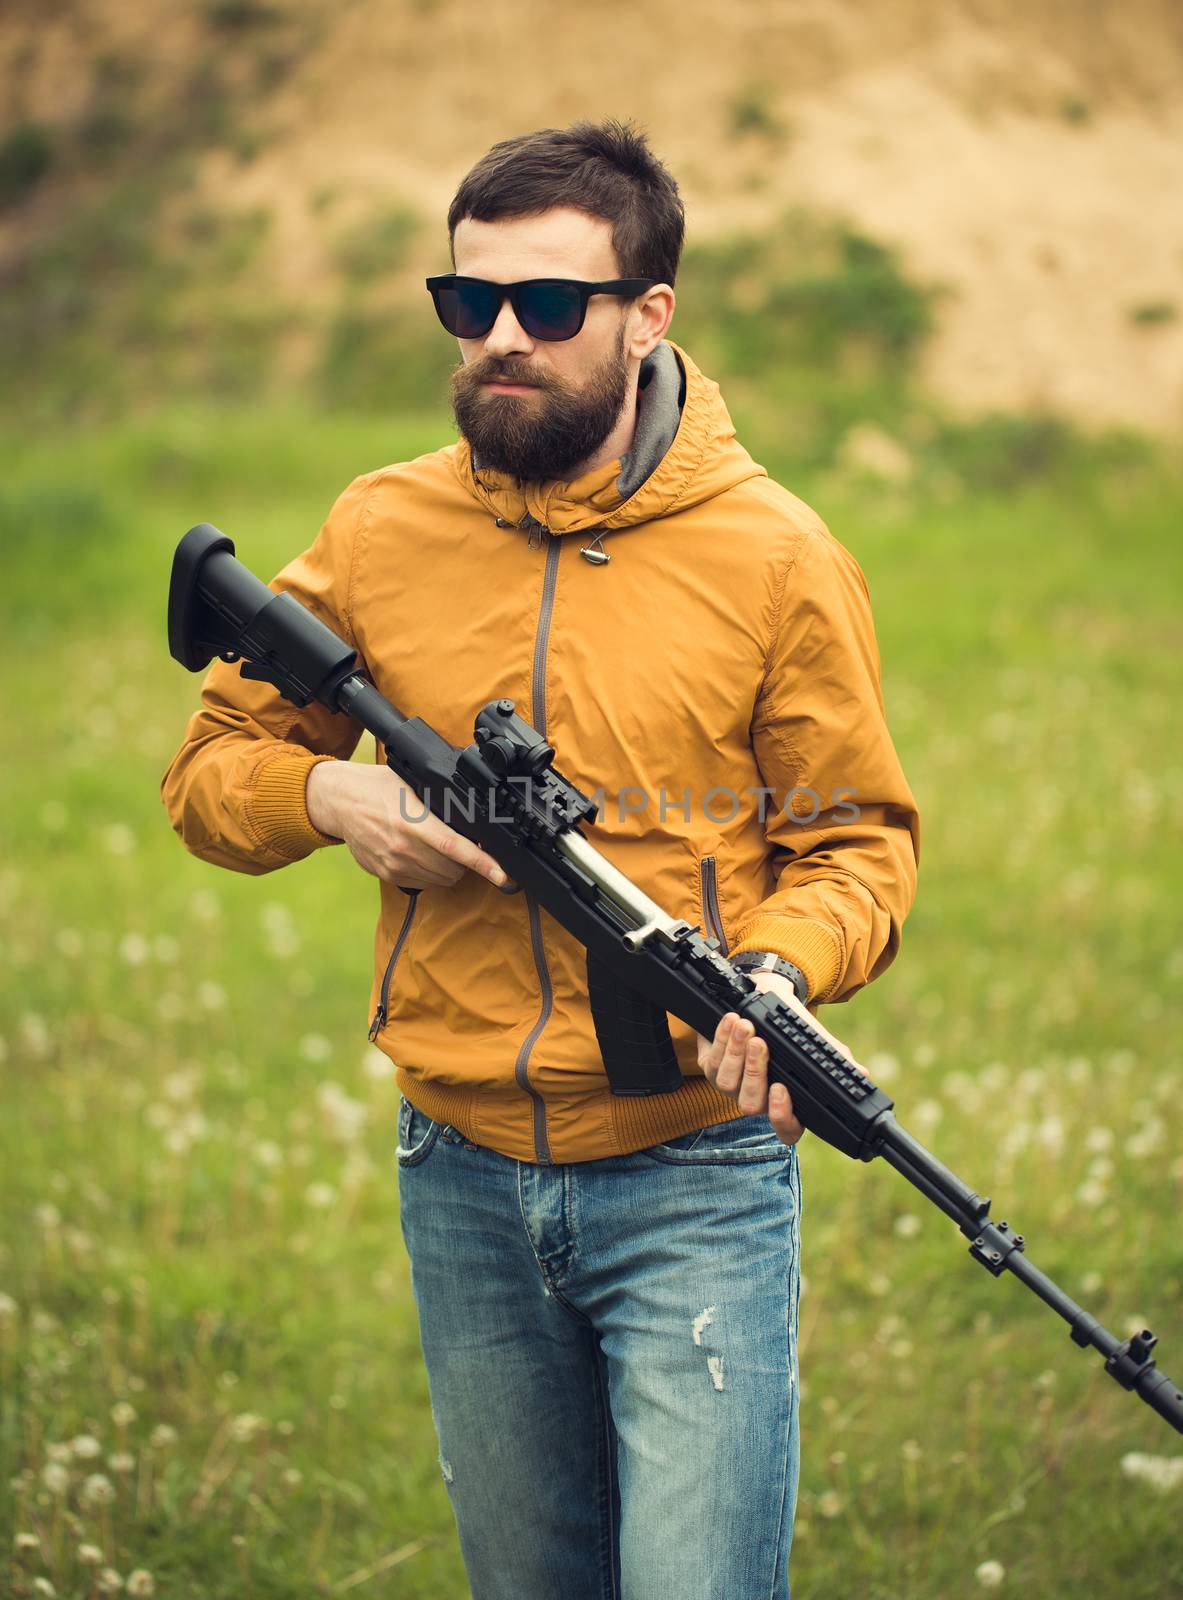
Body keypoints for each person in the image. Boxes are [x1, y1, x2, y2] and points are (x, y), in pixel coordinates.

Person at [160, 118, 919, 1600]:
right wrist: (337, 801)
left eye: (550, 306)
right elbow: (207, 775)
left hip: (695, 1173)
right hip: (460, 1173)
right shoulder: (381, 528)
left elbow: (857, 843)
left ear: (650, 316)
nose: (502, 339)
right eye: (471, 302)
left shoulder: (775, 555)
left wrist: (779, 969)